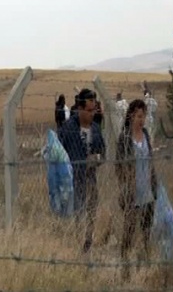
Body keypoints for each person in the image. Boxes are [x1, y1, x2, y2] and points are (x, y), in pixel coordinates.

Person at [58, 88, 106, 254]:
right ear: (79, 108)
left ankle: (87, 244)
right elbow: (58, 155)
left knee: (91, 213)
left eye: (94, 110)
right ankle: (74, 246)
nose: (92, 113)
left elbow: (103, 153)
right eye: (89, 110)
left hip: (91, 180)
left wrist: (97, 159)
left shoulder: (96, 129)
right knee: (75, 216)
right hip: (72, 182)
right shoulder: (67, 129)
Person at [115, 99, 158, 281]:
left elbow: (150, 159)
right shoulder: (124, 138)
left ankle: (146, 262)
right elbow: (118, 166)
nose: (142, 120)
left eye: (144, 116)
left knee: (147, 228)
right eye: (139, 116)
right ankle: (125, 264)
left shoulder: (146, 134)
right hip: (132, 191)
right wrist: (127, 182)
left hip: (147, 188)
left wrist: (154, 181)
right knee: (129, 229)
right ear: (131, 116)